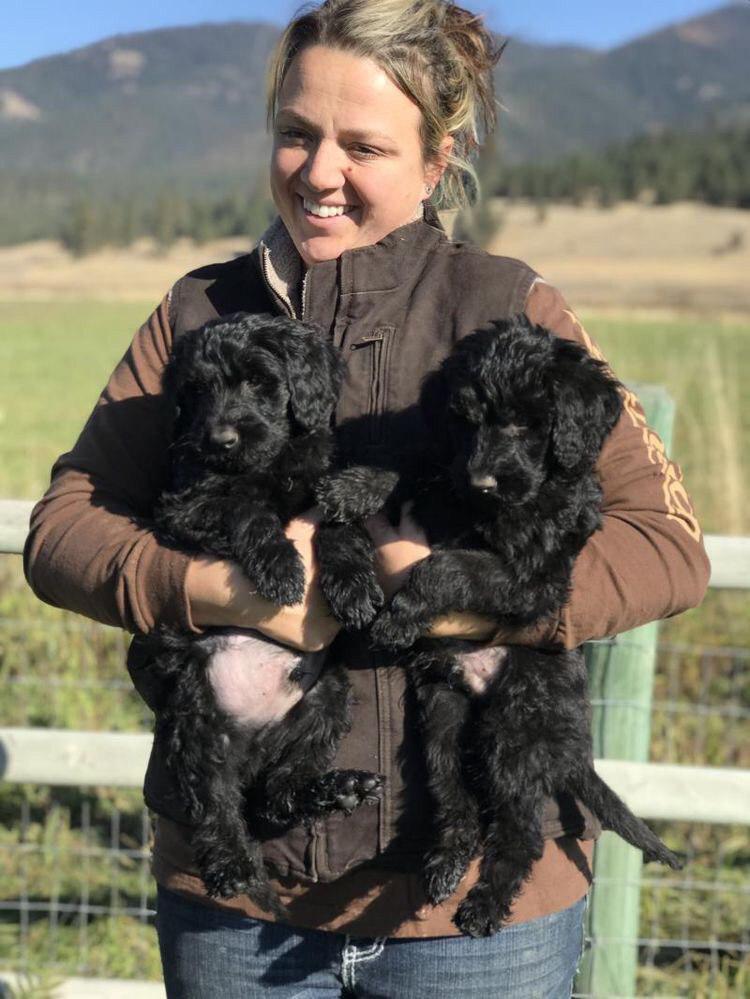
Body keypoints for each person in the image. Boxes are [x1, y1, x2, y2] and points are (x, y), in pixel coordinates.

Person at [24, 1, 710, 995]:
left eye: (365, 146)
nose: (320, 172)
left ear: (439, 159)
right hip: (237, 897)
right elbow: (65, 529)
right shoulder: (198, 311)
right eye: (297, 135)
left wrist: (463, 597)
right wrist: (219, 591)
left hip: (480, 923)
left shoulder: (505, 304)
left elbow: (666, 546)